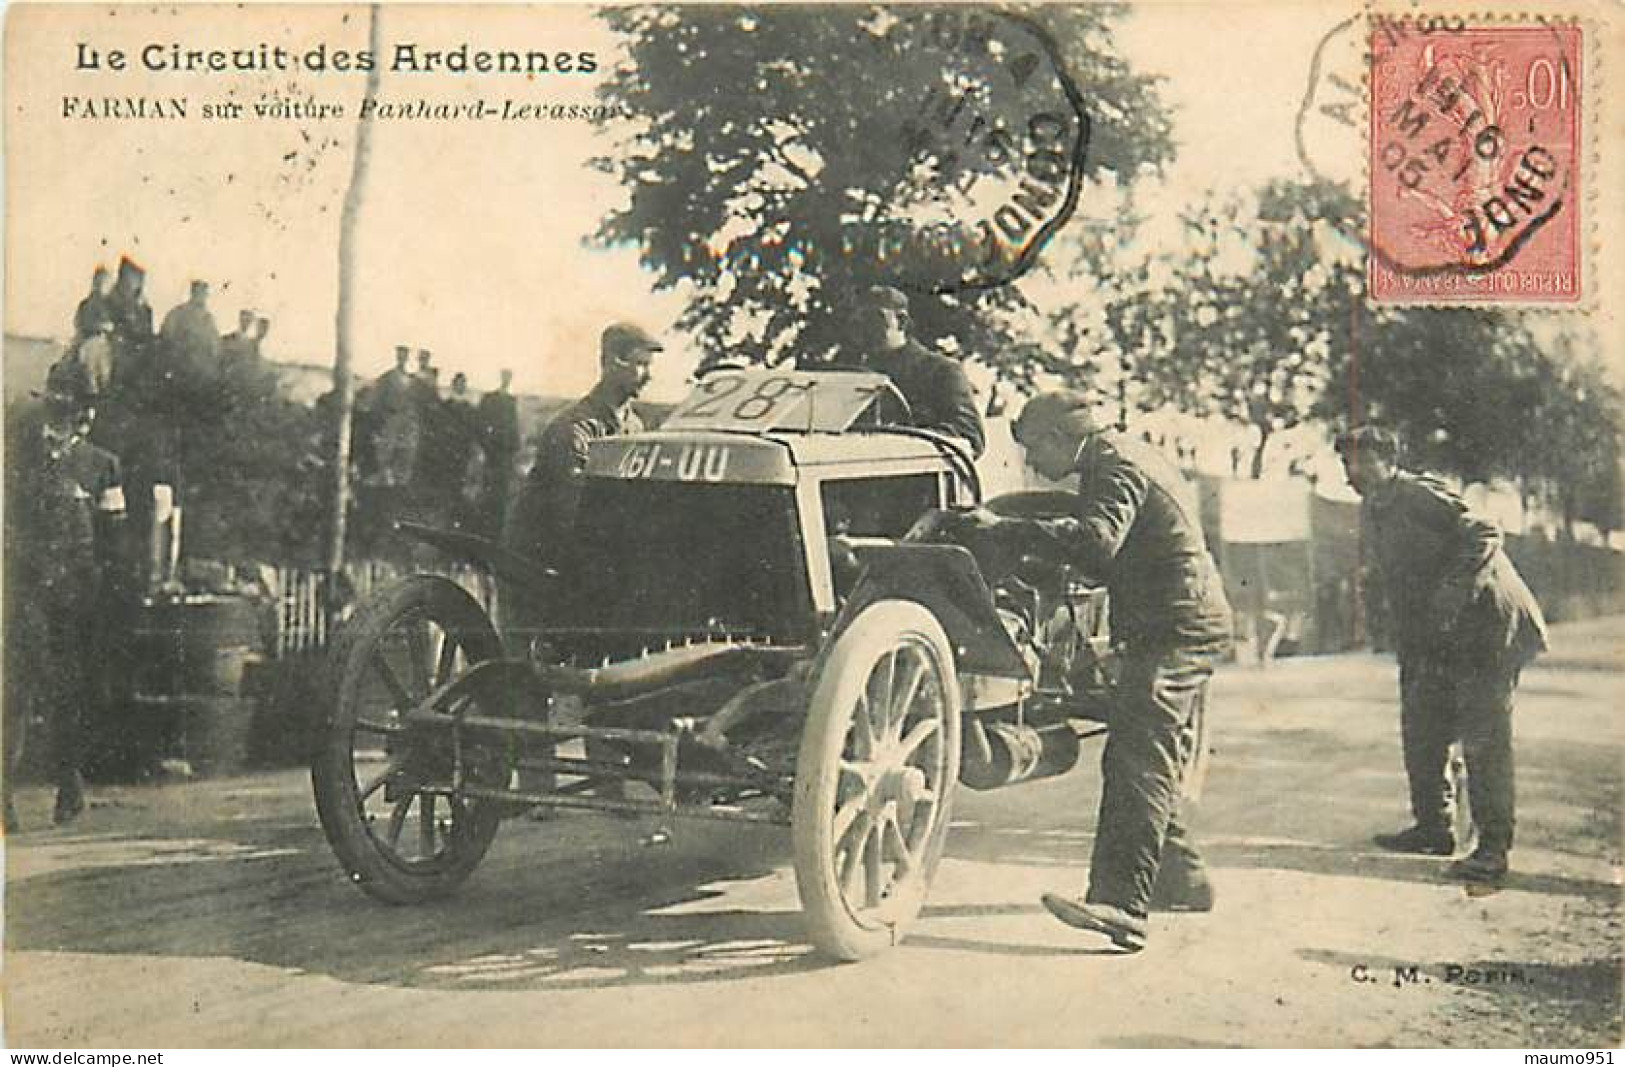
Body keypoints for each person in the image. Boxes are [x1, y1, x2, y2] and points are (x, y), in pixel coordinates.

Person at [950, 390, 1232, 950]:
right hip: (1178, 617)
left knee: (1137, 753)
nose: (1033, 465)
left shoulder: (1116, 466)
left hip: (1177, 625)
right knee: (1151, 747)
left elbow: (1099, 540)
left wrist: (1000, 530)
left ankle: (1120, 905)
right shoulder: (1122, 454)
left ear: (1060, 437)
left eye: (1033, 451)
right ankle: (1184, 879)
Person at [1336, 426, 1547, 883]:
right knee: (1422, 723)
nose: (1353, 471)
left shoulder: (1417, 494)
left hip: (1487, 626)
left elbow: (1485, 531)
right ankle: (1434, 828)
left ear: (1389, 461)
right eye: (1346, 463)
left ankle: (1492, 850)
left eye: (1362, 460)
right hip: (1438, 637)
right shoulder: (1375, 508)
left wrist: (1450, 595)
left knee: (1482, 736)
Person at [3, 357, 129, 831]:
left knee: (70, 691)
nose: (66, 409)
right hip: (25, 588)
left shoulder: (102, 466)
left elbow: (114, 540)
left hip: (77, 596)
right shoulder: (18, 456)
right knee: (16, 688)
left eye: (76, 402)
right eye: (57, 396)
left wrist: (103, 596)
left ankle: (68, 784)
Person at [506, 323, 661, 574]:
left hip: (593, 556)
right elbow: (571, 510)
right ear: (613, 361)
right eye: (641, 364)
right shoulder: (573, 428)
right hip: (541, 566)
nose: (648, 375)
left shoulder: (634, 427)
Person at [841, 285, 985, 457]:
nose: (866, 328)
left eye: (874, 318)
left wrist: (900, 443)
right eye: (860, 320)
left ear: (901, 321)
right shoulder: (856, 378)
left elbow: (969, 435)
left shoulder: (941, 371)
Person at [477, 369, 521, 537]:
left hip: (505, 451)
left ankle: (496, 527)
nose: (506, 381)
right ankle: (484, 525)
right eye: (505, 377)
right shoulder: (490, 398)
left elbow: (513, 426)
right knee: (488, 487)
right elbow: (482, 423)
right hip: (492, 450)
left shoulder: (511, 401)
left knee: (501, 490)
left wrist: (515, 448)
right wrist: (485, 444)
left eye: (509, 378)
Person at [159, 279, 220, 370]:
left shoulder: (209, 319)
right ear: (192, 293)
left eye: (205, 293)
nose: (203, 296)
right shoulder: (178, 312)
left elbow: (215, 345)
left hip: (202, 369)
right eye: (199, 293)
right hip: (180, 365)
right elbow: (166, 334)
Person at [73, 266, 110, 340]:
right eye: (98, 282)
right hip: (87, 338)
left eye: (103, 282)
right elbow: (77, 322)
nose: (100, 285)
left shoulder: (109, 305)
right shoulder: (84, 304)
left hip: (102, 340)